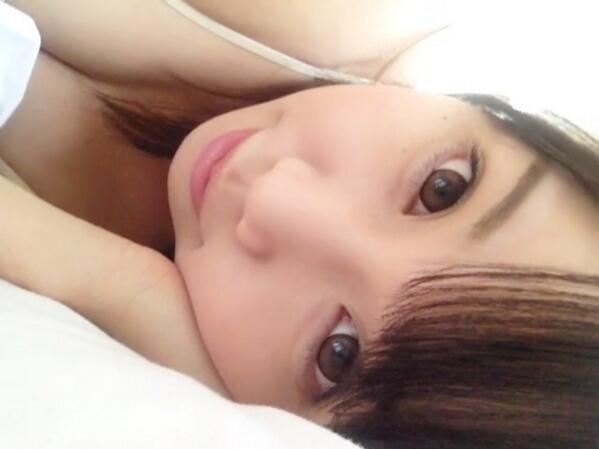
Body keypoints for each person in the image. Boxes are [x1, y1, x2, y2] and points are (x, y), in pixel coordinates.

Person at [2, 2, 599, 448]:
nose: (275, 196)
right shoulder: (344, 21)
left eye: (337, 354)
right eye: (443, 189)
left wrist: (115, 283)